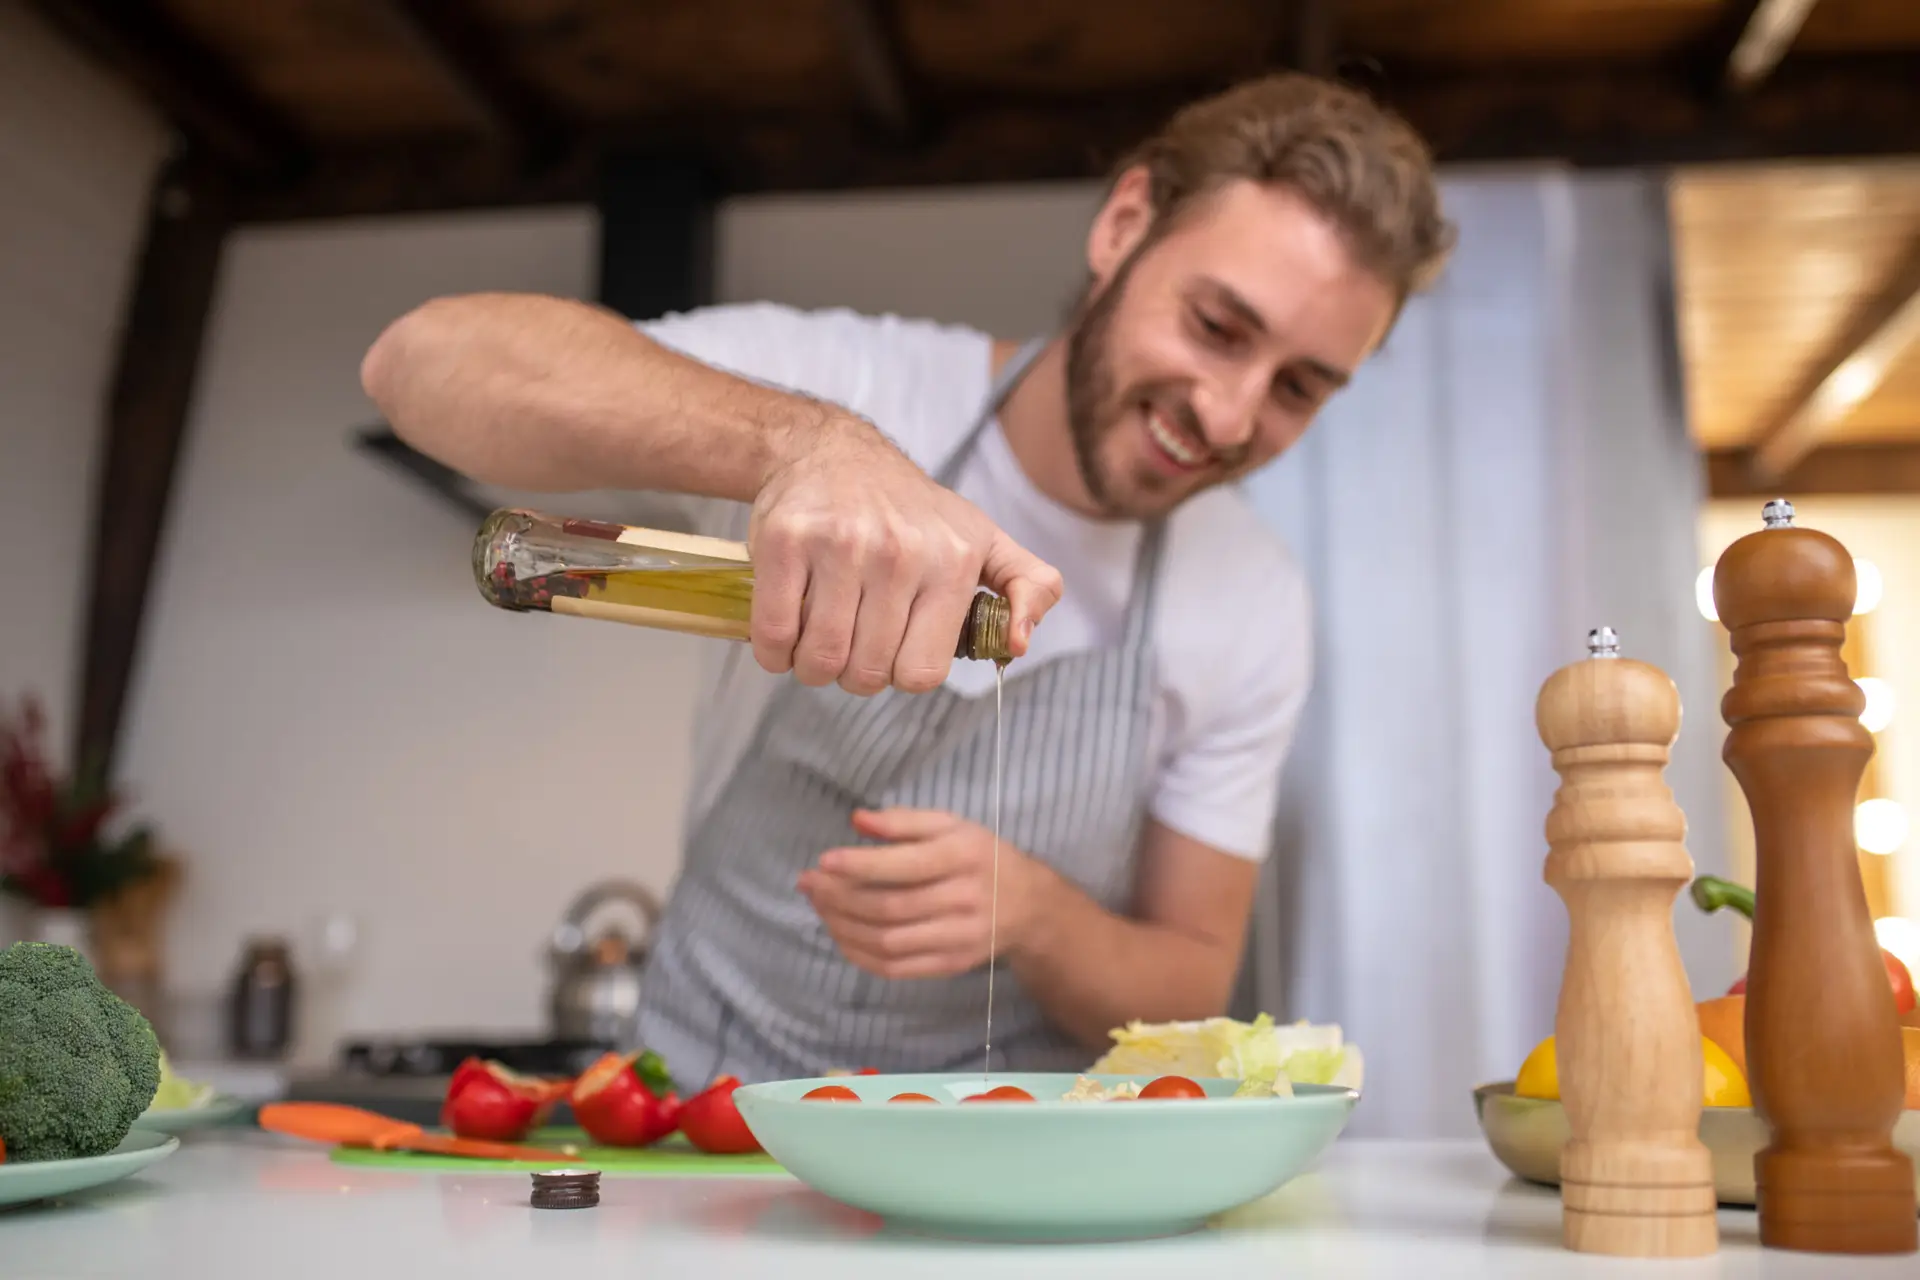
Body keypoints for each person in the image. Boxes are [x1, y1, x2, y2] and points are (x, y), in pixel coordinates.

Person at [361, 72, 1454, 1088]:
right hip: (705, 1118)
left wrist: (1033, 914)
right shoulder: (859, 381)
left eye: (1299, 388)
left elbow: (1191, 981)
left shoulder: (1251, 600)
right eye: (1216, 326)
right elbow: (420, 366)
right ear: (1125, 226)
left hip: (1004, 1168)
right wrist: (799, 446)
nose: (1227, 416)